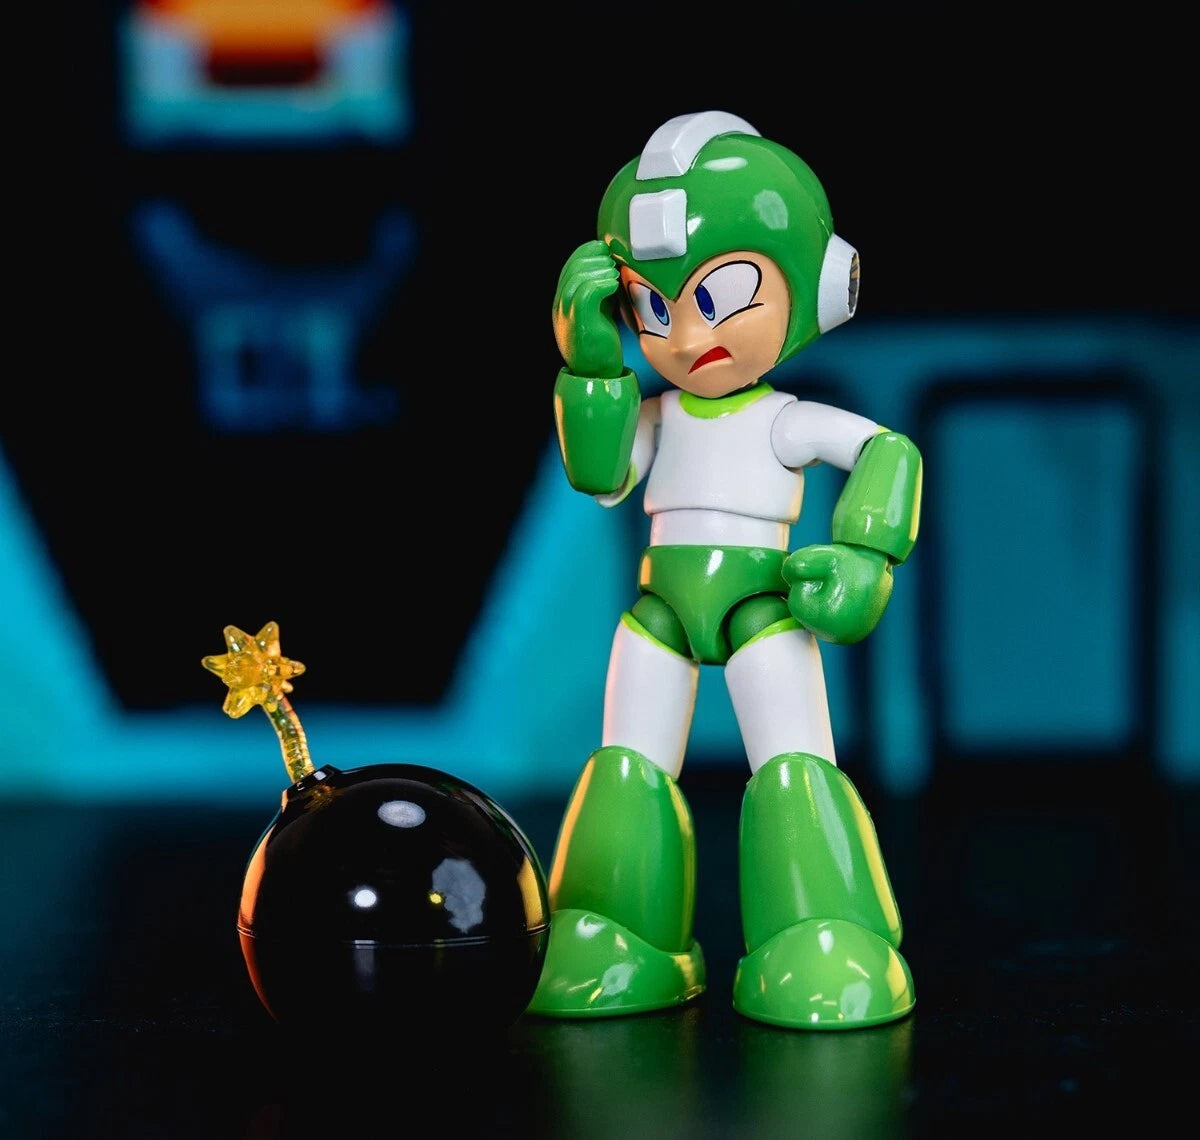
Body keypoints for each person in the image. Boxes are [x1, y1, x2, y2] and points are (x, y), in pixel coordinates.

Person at [529, 111, 922, 1029]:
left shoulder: (782, 418)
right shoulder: (655, 412)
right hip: (660, 609)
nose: (682, 335)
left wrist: (864, 551)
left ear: (814, 286)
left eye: (721, 293)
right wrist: (590, 365)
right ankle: (619, 928)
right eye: (651, 307)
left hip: (761, 606)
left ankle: (822, 930)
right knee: (628, 761)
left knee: (794, 762)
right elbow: (602, 474)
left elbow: (885, 452)